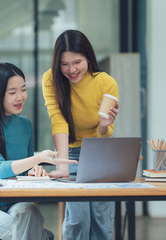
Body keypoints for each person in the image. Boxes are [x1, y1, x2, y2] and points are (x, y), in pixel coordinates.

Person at [0, 62, 77, 240]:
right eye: (12, 92)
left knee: (30, 211)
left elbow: (22, 172)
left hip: (15, 203)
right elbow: (0, 169)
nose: (20, 97)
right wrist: (38, 158)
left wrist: (35, 171)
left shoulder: (25, 125)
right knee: (28, 231)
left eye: (23, 90)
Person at [42, 30, 120, 240]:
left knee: (100, 219)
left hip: (100, 151)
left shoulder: (106, 82)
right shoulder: (50, 79)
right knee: (78, 218)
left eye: (77, 62)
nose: (71, 69)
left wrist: (104, 126)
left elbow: (104, 132)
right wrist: (64, 166)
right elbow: (58, 120)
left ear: (88, 57)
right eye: (64, 63)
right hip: (71, 153)